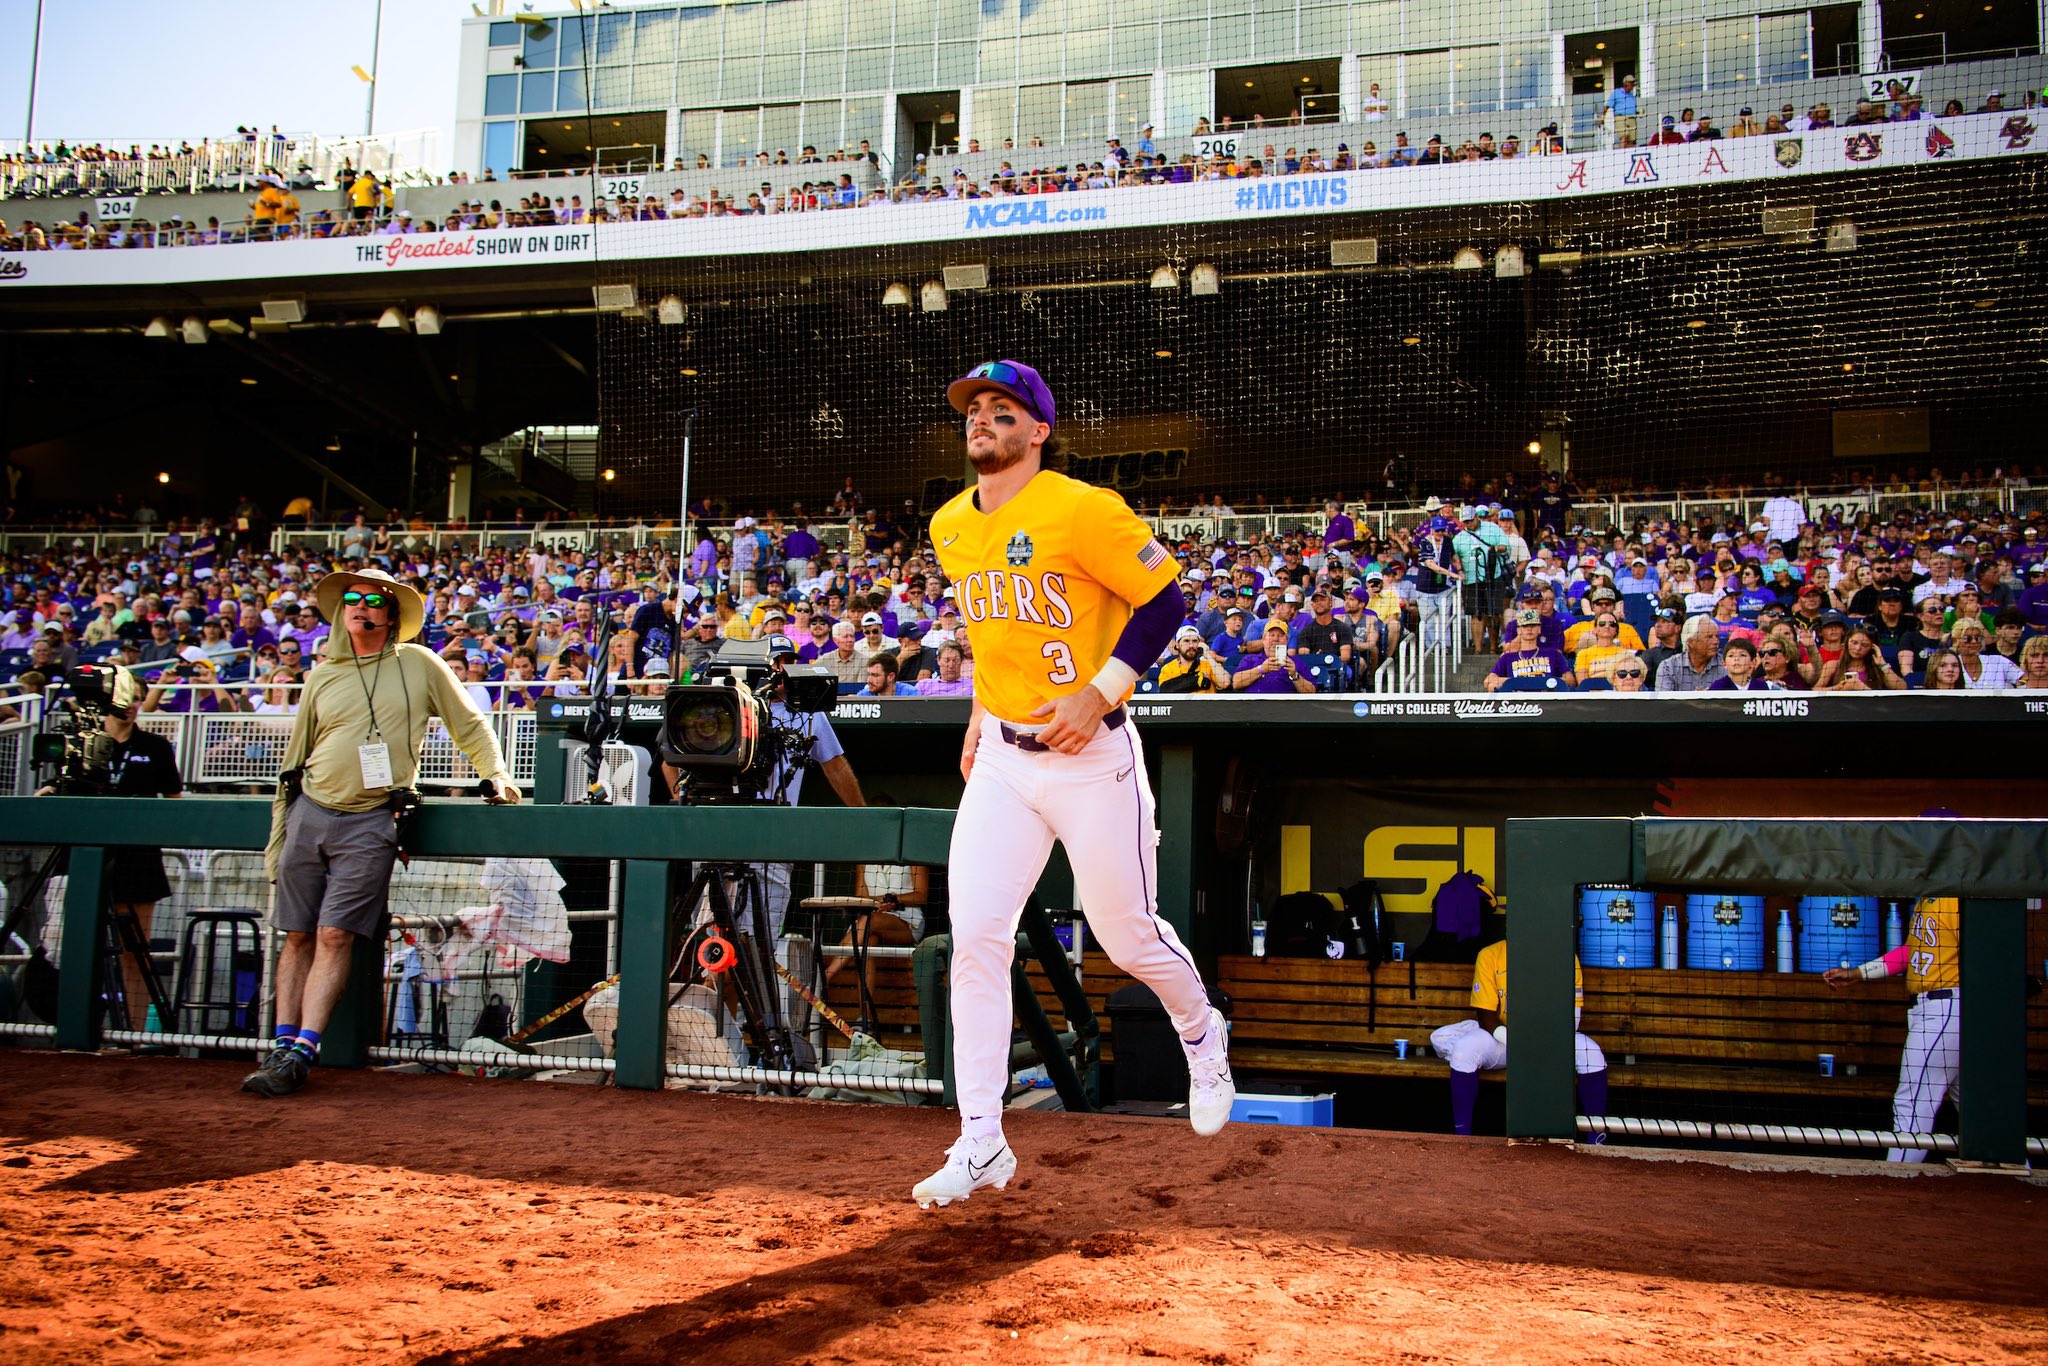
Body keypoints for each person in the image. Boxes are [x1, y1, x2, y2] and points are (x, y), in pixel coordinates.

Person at [917, 359, 1232, 1210]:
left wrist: (1100, 694)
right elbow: (992, 633)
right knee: (975, 934)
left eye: (1002, 409)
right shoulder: (950, 523)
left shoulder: (1082, 508)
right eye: (974, 408)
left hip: (1094, 756)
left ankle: (1203, 1032)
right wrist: (980, 710)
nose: (982, 418)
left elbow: (1166, 602)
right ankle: (981, 1140)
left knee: (1126, 937)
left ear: (1038, 429)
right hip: (1007, 762)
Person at [242, 568, 522, 1099]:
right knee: (297, 934)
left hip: (373, 817)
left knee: (334, 934)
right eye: (352, 598)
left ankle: (301, 1051)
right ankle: (280, 1044)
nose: (360, 606)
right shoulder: (322, 675)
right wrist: (281, 831)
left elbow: (470, 724)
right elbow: (295, 759)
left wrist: (497, 774)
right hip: (310, 810)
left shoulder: (418, 663)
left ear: (391, 615)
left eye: (374, 600)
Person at [33, 667, 180, 1029]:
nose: (129, 705)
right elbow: (51, 793)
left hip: (138, 858)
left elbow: (175, 801)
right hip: (83, 857)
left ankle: (133, 1036)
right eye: (123, 697)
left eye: (135, 698)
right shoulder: (78, 744)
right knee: (71, 946)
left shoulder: (156, 747)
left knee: (135, 953)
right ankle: (72, 1026)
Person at [1824, 895, 1961, 1162]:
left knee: (1911, 1105)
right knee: (1981, 1108)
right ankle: (2018, 1173)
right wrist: (1858, 973)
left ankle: (1897, 1178)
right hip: (1937, 1008)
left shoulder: (1956, 901)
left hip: (1946, 1006)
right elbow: (1912, 951)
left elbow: (1983, 951)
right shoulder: (1926, 901)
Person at [1430, 938, 1609, 1142]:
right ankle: (1462, 1138)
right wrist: (1518, 1042)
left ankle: (1596, 1140)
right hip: (1505, 1040)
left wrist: (1544, 1042)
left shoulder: (1565, 956)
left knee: (1591, 1053)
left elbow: (1573, 1017)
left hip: (1551, 1040)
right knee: (1464, 1050)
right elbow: (1485, 1015)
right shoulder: (1491, 954)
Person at [1485, 609, 1574, 690]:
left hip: (1547, 699)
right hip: (1518, 703)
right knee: (1492, 686)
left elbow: (1570, 680)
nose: (1529, 629)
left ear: (1539, 629)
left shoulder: (1553, 654)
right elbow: (1488, 681)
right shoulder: (1507, 657)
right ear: (1518, 630)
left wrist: (1546, 682)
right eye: (1525, 626)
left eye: (1533, 625)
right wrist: (1520, 682)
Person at [1655, 615, 1728, 692]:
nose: (1716, 641)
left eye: (1717, 636)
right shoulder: (1669, 667)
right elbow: (1663, 702)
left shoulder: (1727, 666)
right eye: (1709, 637)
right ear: (1691, 642)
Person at [1156, 624, 1232, 692]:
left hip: (1206, 707)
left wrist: (1208, 656)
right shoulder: (1168, 668)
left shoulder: (1208, 665)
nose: (1191, 645)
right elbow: (1164, 691)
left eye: (1194, 641)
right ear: (1177, 645)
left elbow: (1225, 683)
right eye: (1186, 641)